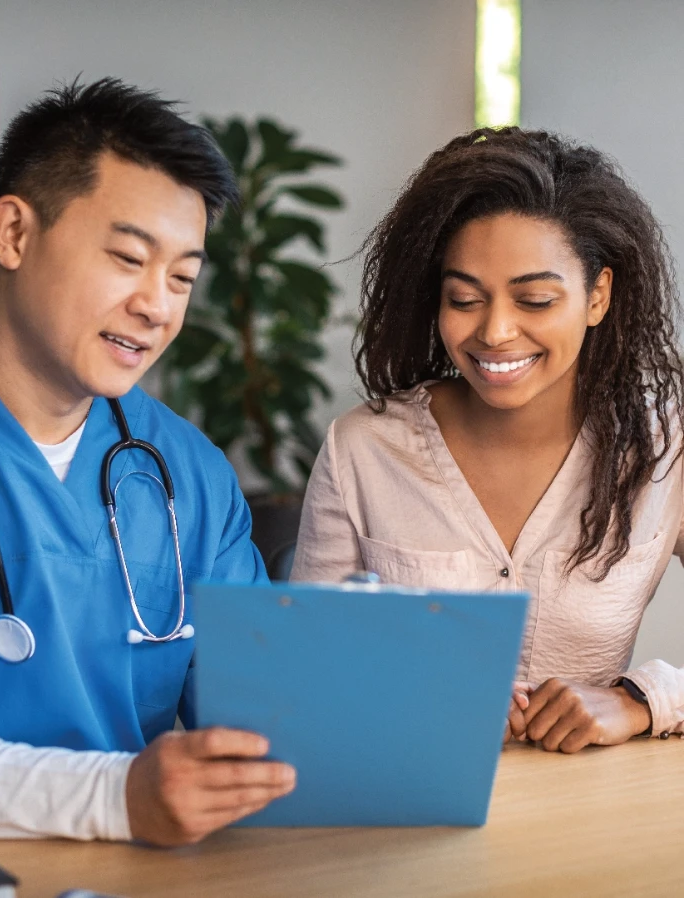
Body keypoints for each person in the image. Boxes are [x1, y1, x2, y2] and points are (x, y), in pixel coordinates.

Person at [0, 78, 295, 845]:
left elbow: (256, 714)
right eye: (128, 259)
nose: (157, 305)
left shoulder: (188, 474)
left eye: (182, 277)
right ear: (13, 233)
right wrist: (111, 798)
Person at [292, 127, 684, 753]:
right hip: (407, 810)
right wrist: (419, 692)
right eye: (465, 298)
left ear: (597, 296)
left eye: (534, 299)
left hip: (595, 822)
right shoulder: (363, 450)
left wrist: (637, 701)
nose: (496, 331)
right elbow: (303, 673)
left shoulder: (664, 449)